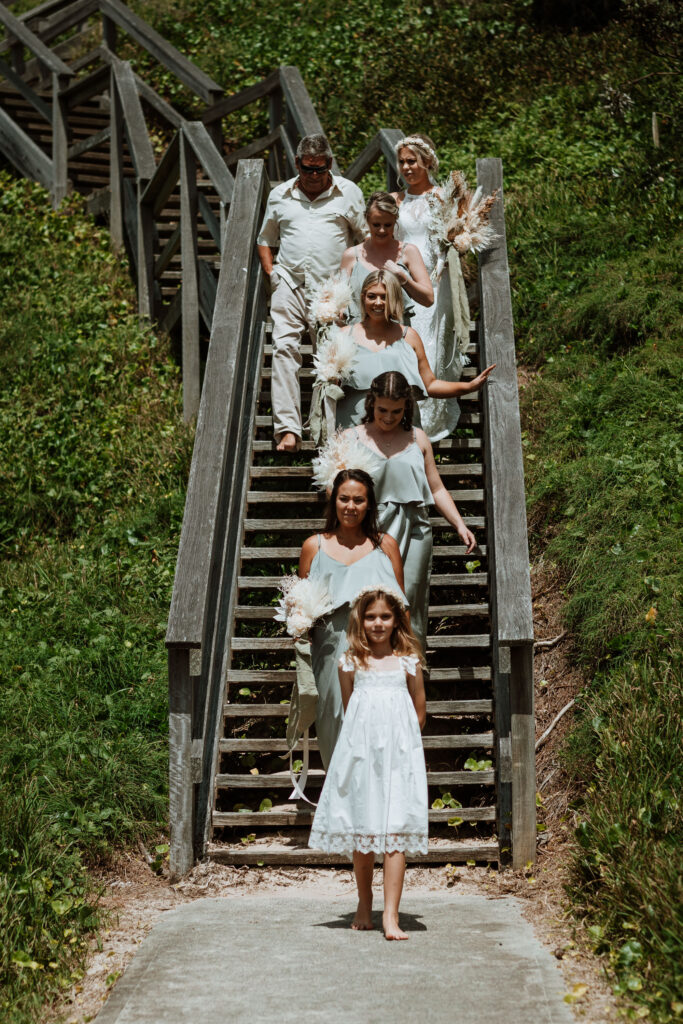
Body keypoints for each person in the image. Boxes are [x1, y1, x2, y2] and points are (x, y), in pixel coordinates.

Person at [309, 586, 428, 940]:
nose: (378, 623)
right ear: (361, 620)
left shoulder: (408, 661)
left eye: (385, 617)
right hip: (361, 755)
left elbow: (419, 712)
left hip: (397, 756)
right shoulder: (349, 662)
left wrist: (399, 744)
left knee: (394, 833)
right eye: (371, 616)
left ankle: (391, 916)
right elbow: (351, 709)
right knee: (363, 831)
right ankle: (365, 902)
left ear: (397, 621)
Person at [336, 370, 478, 652]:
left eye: (396, 411)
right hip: (370, 527)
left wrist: (460, 525)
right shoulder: (351, 437)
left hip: (415, 528)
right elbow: (337, 492)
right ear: (371, 404)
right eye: (382, 410)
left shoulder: (419, 438)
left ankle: (410, 668)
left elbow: (436, 488)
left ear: (407, 408)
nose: (388, 417)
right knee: (369, 597)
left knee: (408, 598)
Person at [257, 133, 366, 451]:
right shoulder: (280, 195)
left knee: (332, 360)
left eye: (320, 169)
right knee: (284, 350)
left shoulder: (348, 193)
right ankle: (288, 429)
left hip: (332, 290)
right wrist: (272, 273)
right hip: (289, 283)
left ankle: (330, 432)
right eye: (308, 169)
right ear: (297, 164)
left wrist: (354, 285)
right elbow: (266, 239)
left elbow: (364, 239)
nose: (314, 176)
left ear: (330, 164)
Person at [298, 469, 404, 768]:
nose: (350, 506)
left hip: (378, 649)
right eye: (344, 499)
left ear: (369, 505)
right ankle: (341, 797)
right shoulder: (313, 546)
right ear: (334, 501)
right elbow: (301, 605)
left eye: (359, 500)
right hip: (330, 649)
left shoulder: (386, 545)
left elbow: (401, 609)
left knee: (375, 721)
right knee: (333, 720)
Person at [333, 269, 494, 431]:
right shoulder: (344, 335)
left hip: (399, 426)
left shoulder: (409, 336)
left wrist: (469, 386)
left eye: (385, 296)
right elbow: (329, 384)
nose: (378, 302)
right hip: (353, 426)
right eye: (372, 296)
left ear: (394, 298)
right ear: (363, 298)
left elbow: (430, 384)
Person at [392, 133, 462, 442]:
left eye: (413, 161)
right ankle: (407, 417)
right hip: (404, 279)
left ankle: (430, 424)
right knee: (404, 345)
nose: (407, 167)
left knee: (431, 345)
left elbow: (454, 234)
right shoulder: (395, 201)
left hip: (435, 279)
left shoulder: (441, 197)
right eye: (403, 162)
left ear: (428, 163)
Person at [340, 191, 433, 324]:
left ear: (395, 220)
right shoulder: (351, 256)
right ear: (367, 219)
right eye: (376, 225)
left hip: (397, 337)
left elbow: (428, 299)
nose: (382, 230)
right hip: (359, 336)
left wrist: (403, 279)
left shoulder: (408, 252)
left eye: (388, 225)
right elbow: (338, 301)